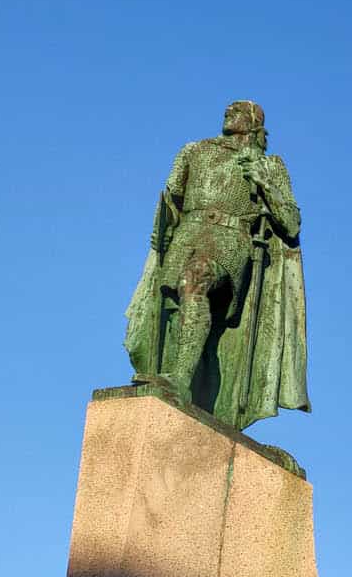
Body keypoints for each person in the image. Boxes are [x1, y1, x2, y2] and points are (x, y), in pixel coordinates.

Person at [125, 99, 309, 429]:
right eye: (228, 109)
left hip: (231, 238)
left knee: (195, 279)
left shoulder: (269, 165)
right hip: (188, 234)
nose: (228, 113)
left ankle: (179, 379)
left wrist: (265, 183)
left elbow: (291, 223)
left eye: (237, 110)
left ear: (254, 122)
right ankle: (188, 380)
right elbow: (171, 200)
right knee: (183, 301)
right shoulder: (193, 151)